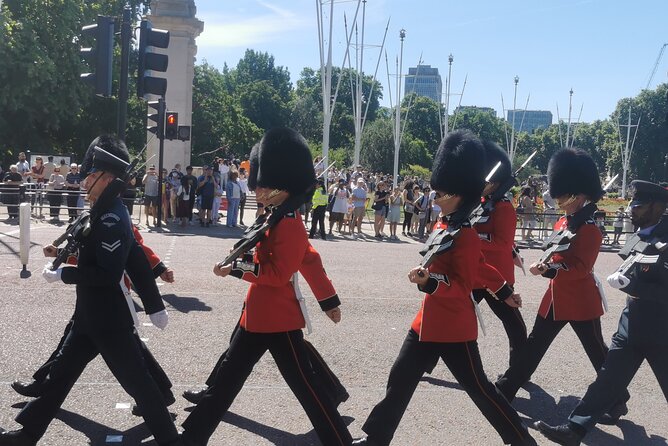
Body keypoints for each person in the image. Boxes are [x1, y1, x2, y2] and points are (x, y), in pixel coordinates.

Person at [352, 131, 535, 446]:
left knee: (481, 390)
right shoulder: (445, 225)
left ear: (460, 195)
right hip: (426, 322)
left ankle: (520, 439)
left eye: (440, 195)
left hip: (453, 326)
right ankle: (376, 439)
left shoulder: (463, 233)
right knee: (400, 378)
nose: (434, 200)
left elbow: (465, 281)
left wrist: (430, 282)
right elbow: (481, 267)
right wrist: (504, 291)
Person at [0, 136, 180, 446]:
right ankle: (28, 433)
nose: (85, 179)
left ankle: (170, 439)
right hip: (90, 314)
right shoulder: (102, 209)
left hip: (108, 317)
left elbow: (109, 273)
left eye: (90, 174)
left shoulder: (111, 216)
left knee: (140, 383)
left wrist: (65, 274)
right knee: (59, 378)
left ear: (107, 177)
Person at [179, 128, 352, 446]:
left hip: (278, 320)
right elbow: (305, 261)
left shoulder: (290, 226)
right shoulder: (272, 218)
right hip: (258, 316)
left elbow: (276, 274)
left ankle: (339, 440)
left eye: (263, 184)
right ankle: (190, 437)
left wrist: (237, 269)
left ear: (282, 187)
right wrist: (328, 301)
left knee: (308, 390)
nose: (257, 188)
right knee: (225, 384)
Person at [496, 148, 630, 417]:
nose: (558, 199)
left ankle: (617, 399)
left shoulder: (589, 228)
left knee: (597, 353)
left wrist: (550, 270)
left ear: (578, 195)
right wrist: (545, 263)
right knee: (535, 345)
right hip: (556, 299)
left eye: (564, 194)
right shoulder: (564, 222)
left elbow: (581, 268)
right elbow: (554, 251)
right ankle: (508, 387)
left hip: (580, 300)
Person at [534, 179, 668, 446]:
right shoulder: (640, 235)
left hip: (662, 330)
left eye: (639, 205)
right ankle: (574, 430)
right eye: (632, 203)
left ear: (658, 207)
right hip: (632, 324)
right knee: (607, 380)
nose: (632, 209)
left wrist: (636, 287)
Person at [474, 140, 527, 366]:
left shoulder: (504, 207)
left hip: (497, 276)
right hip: (476, 273)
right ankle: (426, 358)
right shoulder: (480, 203)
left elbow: (503, 243)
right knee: (450, 315)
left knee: (514, 326)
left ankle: (520, 368)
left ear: (494, 182)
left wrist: (473, 239)